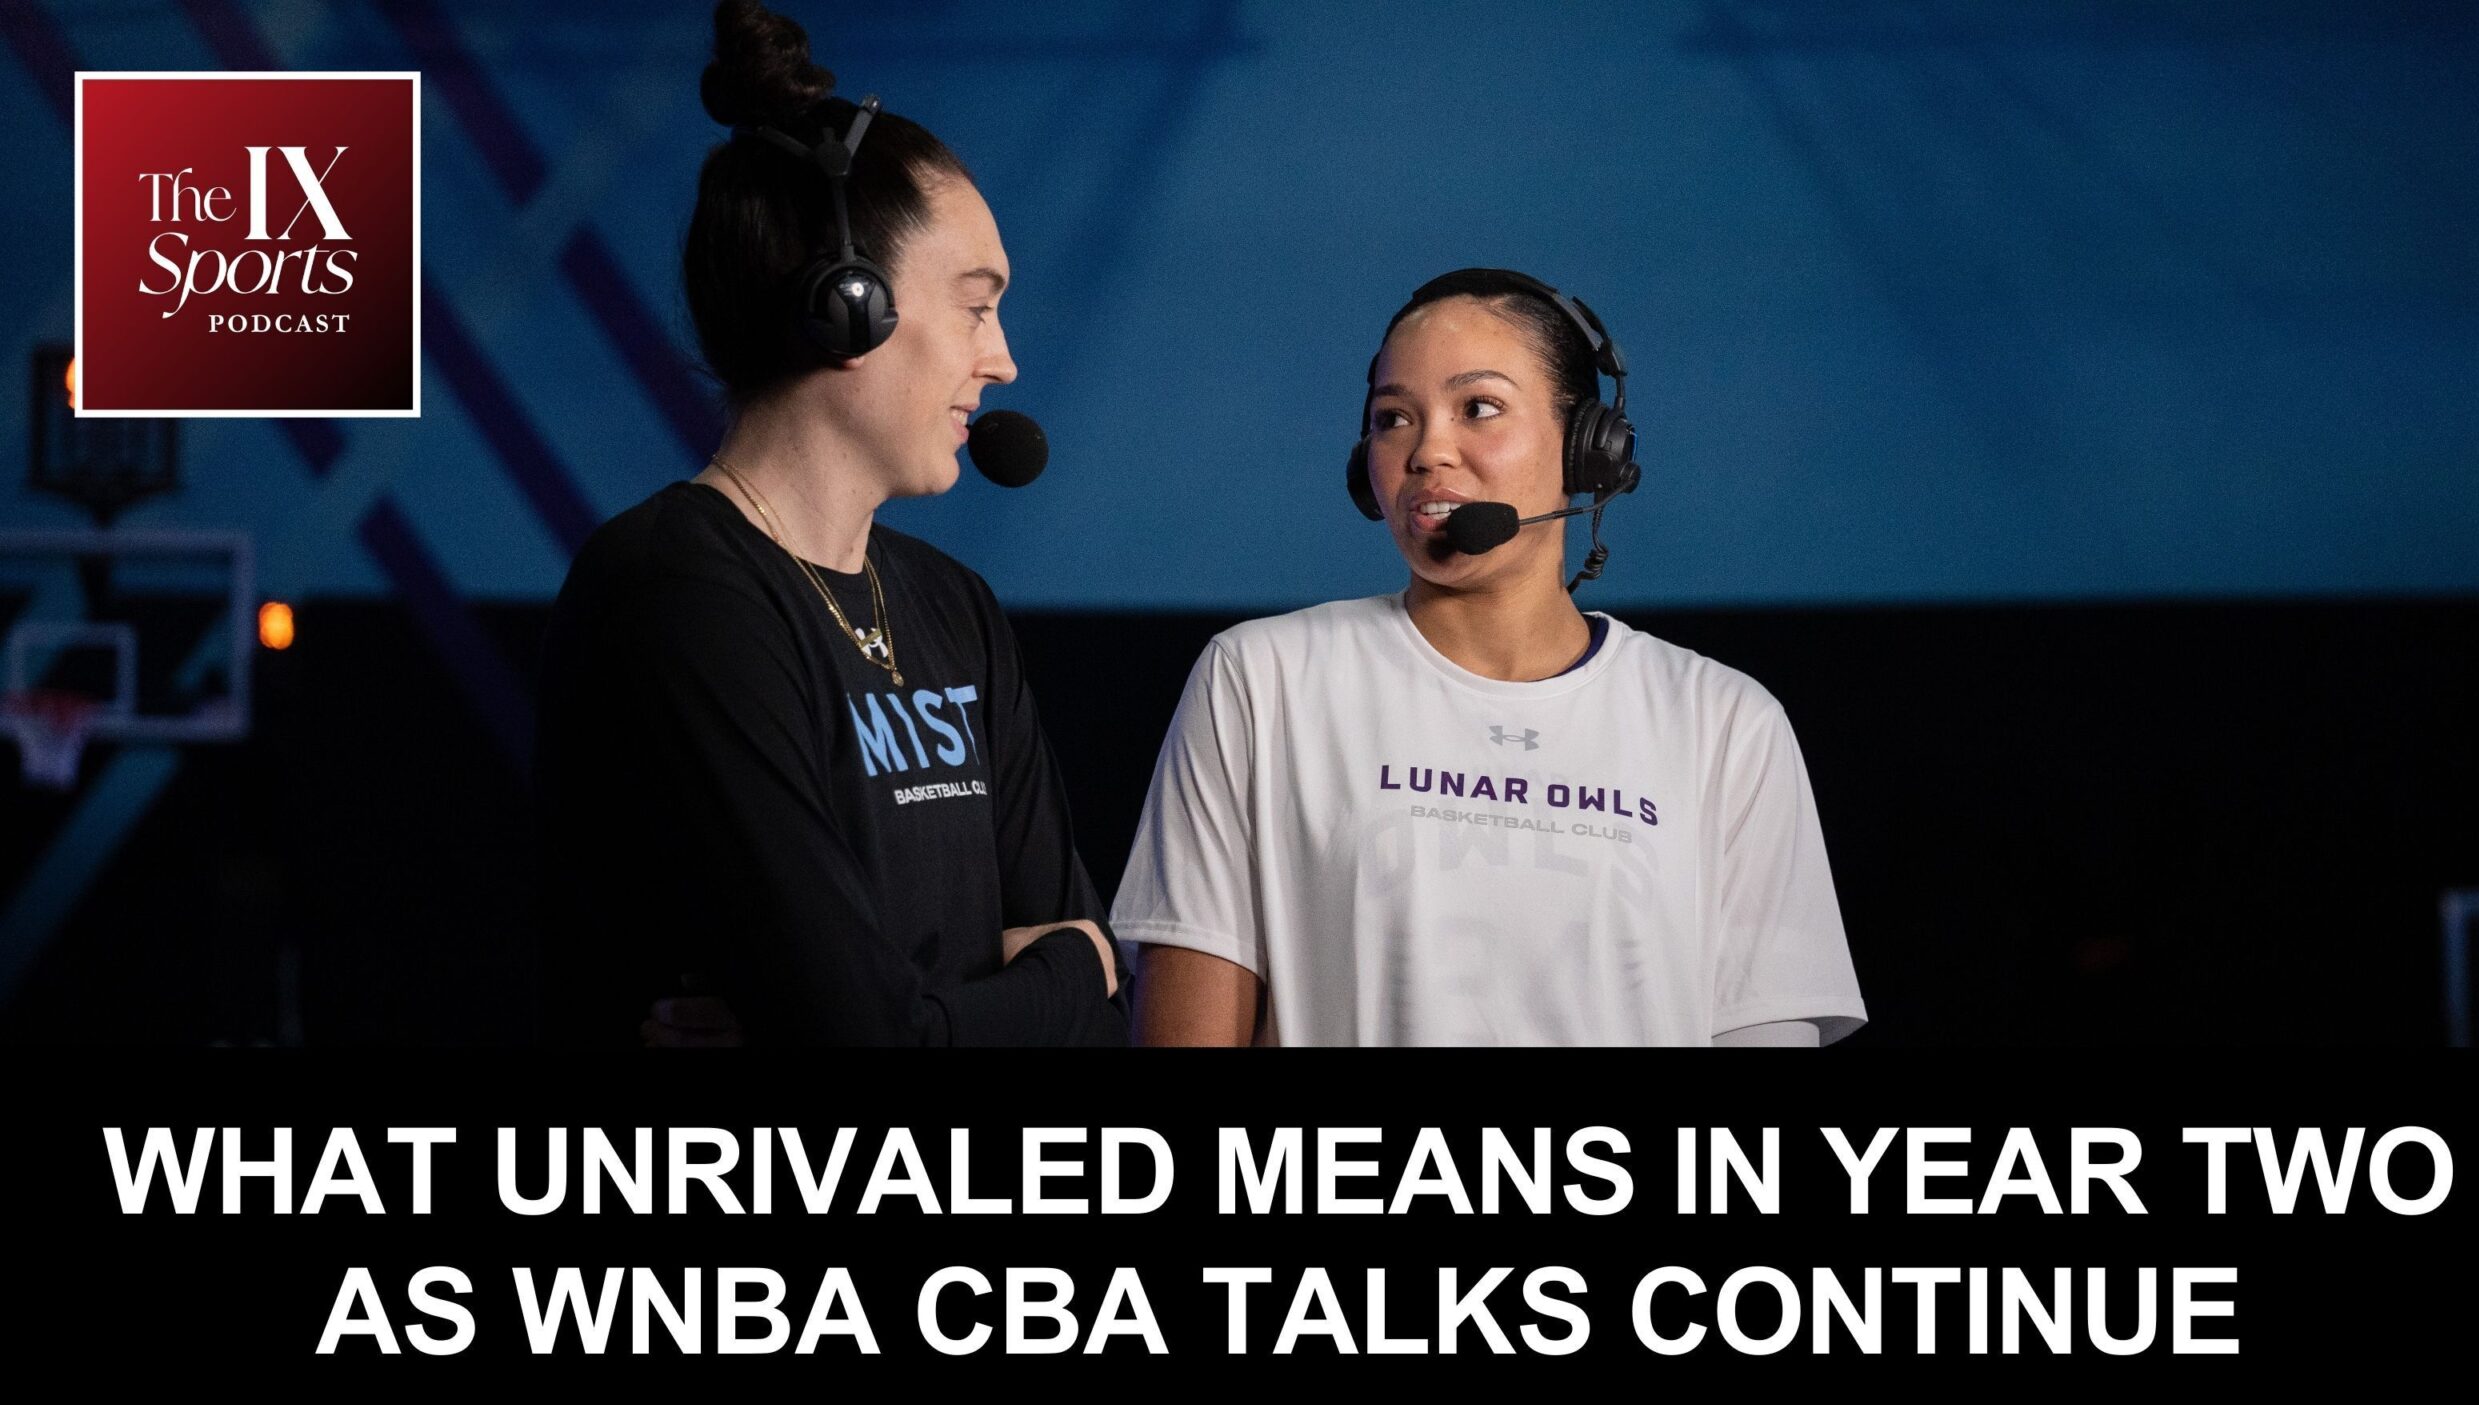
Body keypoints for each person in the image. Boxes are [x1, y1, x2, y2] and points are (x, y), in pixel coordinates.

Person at [535, 0, 1123, 1046]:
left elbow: (1072, 999)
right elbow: (875, 1037)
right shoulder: (675, 593)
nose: (1002, 360)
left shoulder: (953, 606)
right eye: (977, 305)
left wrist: (1074, 966)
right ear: (851, 304)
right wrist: (1075, 968)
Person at [1113, 269, 1865, 1046]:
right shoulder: (1262, 680)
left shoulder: (1724, 723)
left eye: (1479, 408)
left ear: (1586, 448)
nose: (1427, 450)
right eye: (1393, 418)